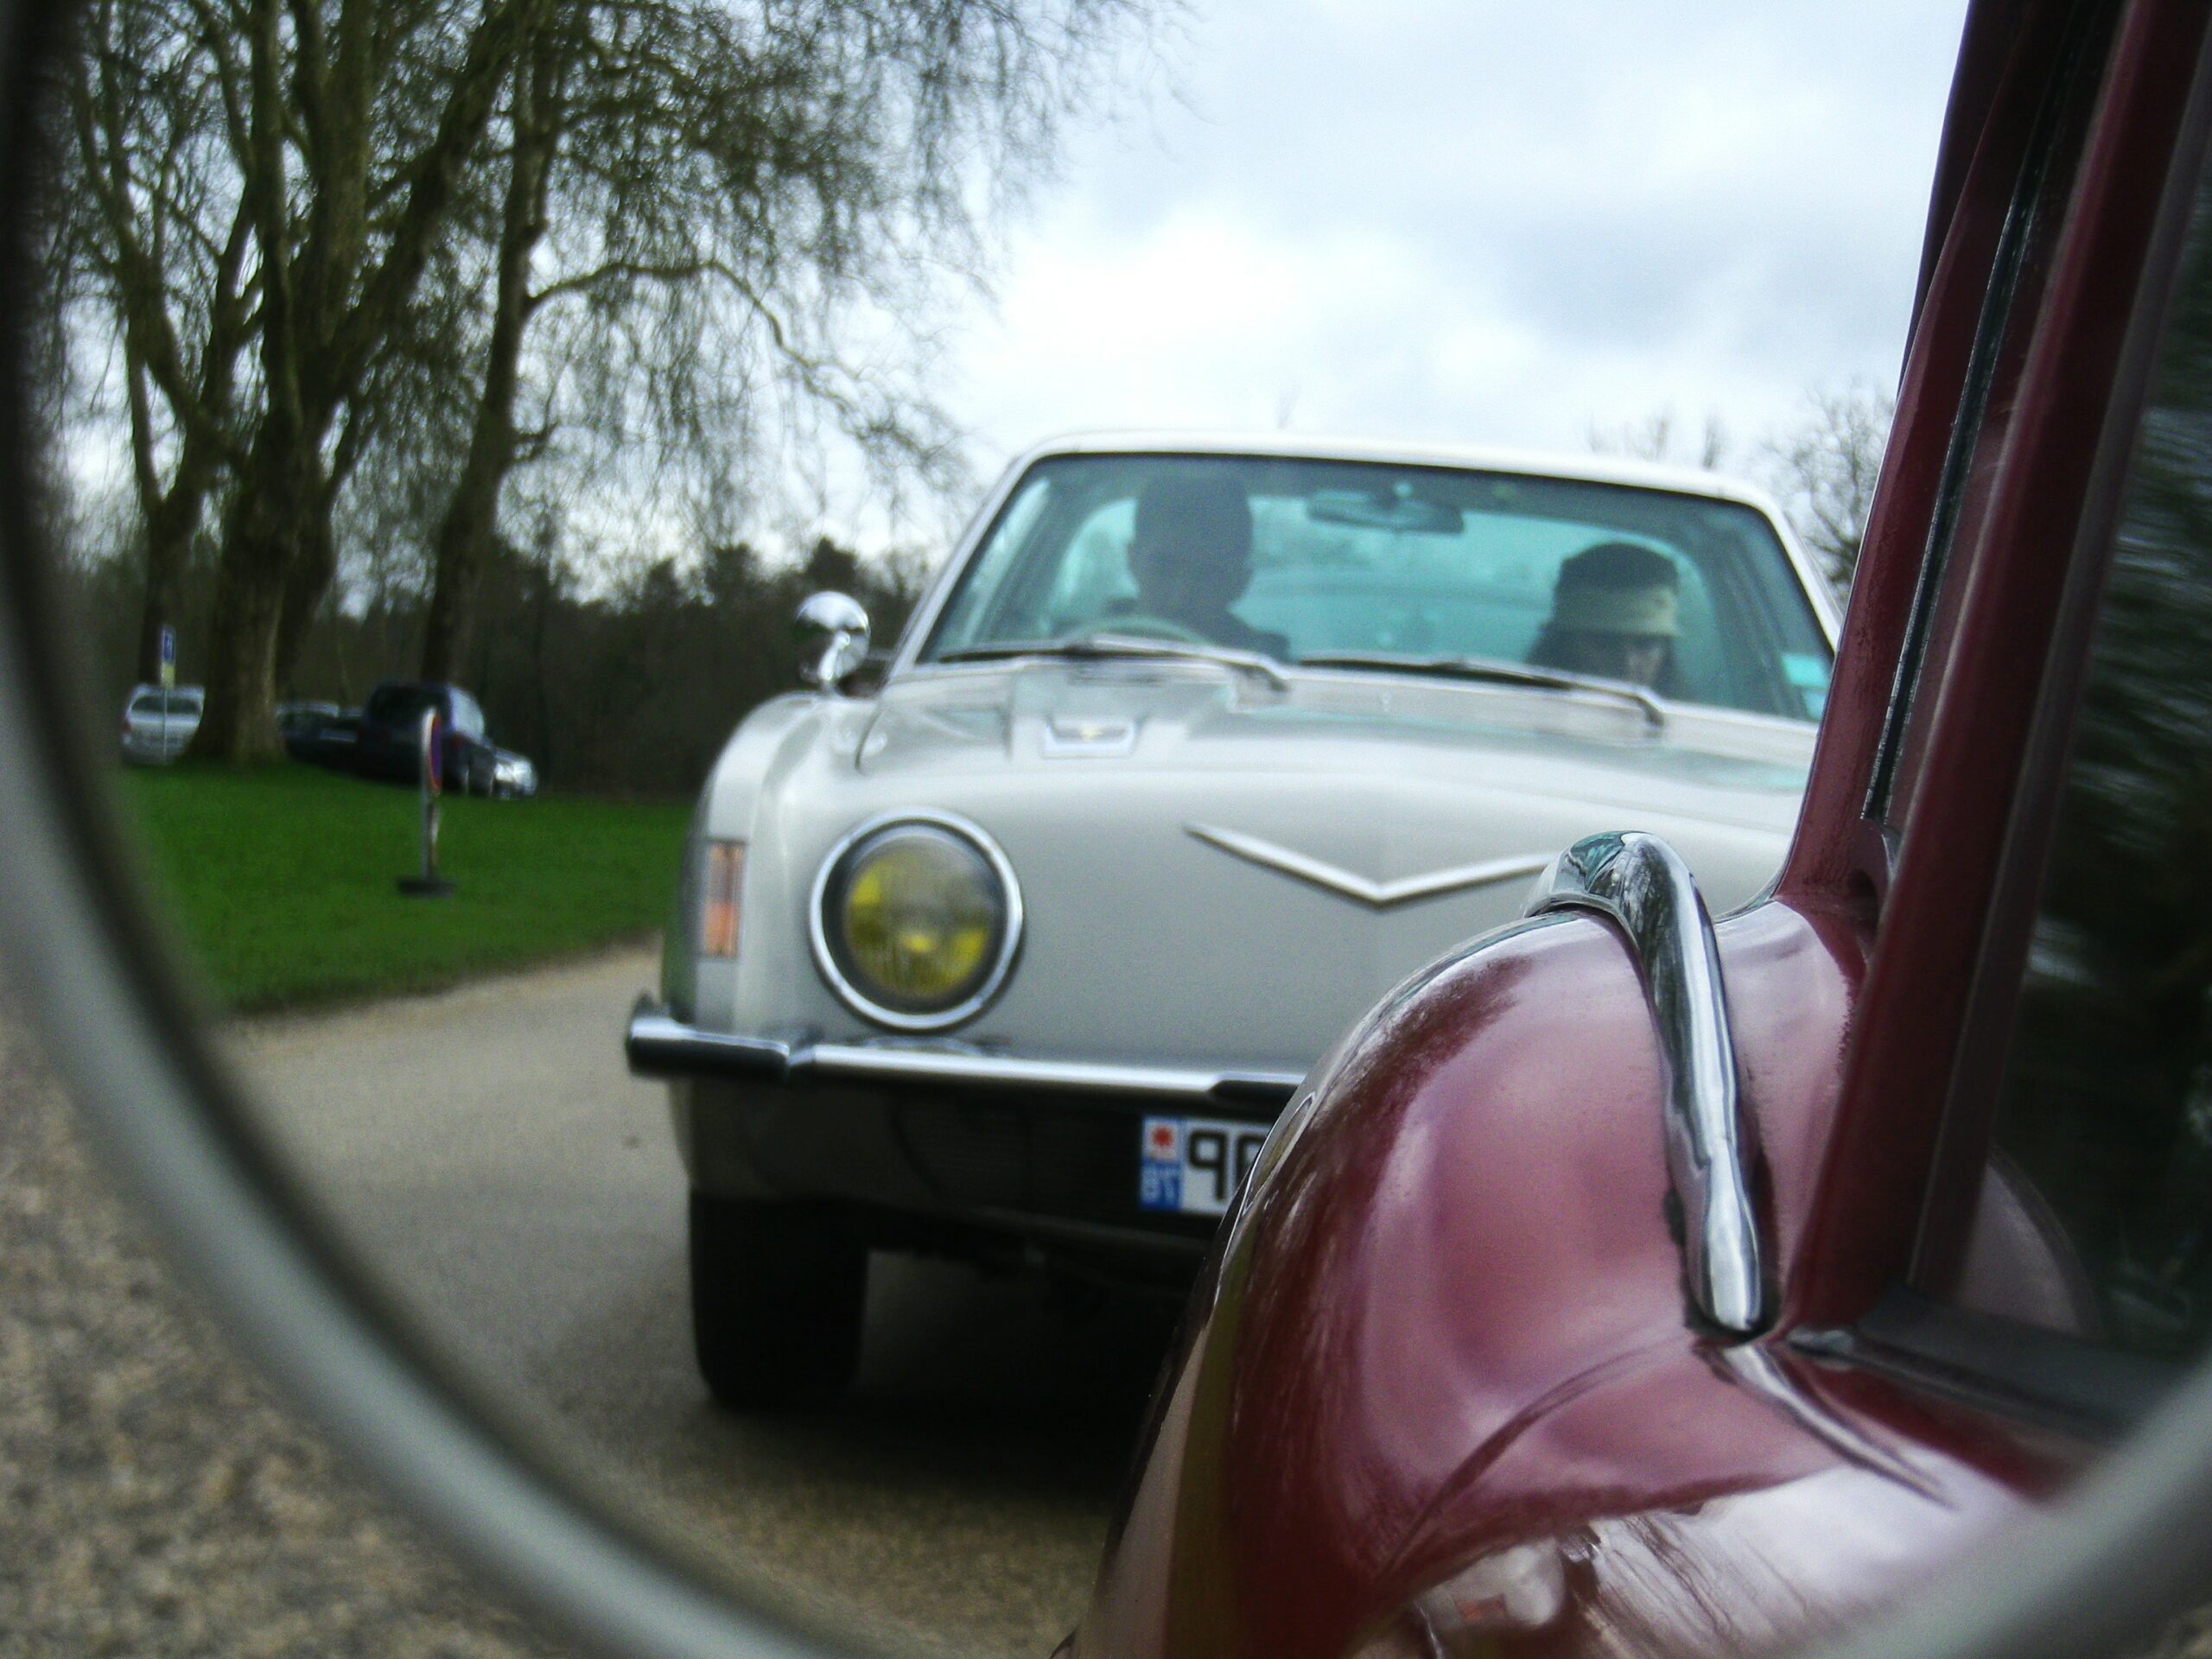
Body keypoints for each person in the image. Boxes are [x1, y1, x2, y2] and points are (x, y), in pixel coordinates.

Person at [1110, 473, 1291, 658]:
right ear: (1132, 559)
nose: (1180, 597)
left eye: (1208, 574)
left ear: (1240, 583)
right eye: (1163, 568)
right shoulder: (1081, 650)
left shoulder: (1270, 677)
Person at [1526, 540, 1684, 693]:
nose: (1627, 664)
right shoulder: (1517, 712)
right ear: (1565, 644)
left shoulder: (1694, 717)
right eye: (1607, 642)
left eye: (1645, 644)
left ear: (1666, 652)